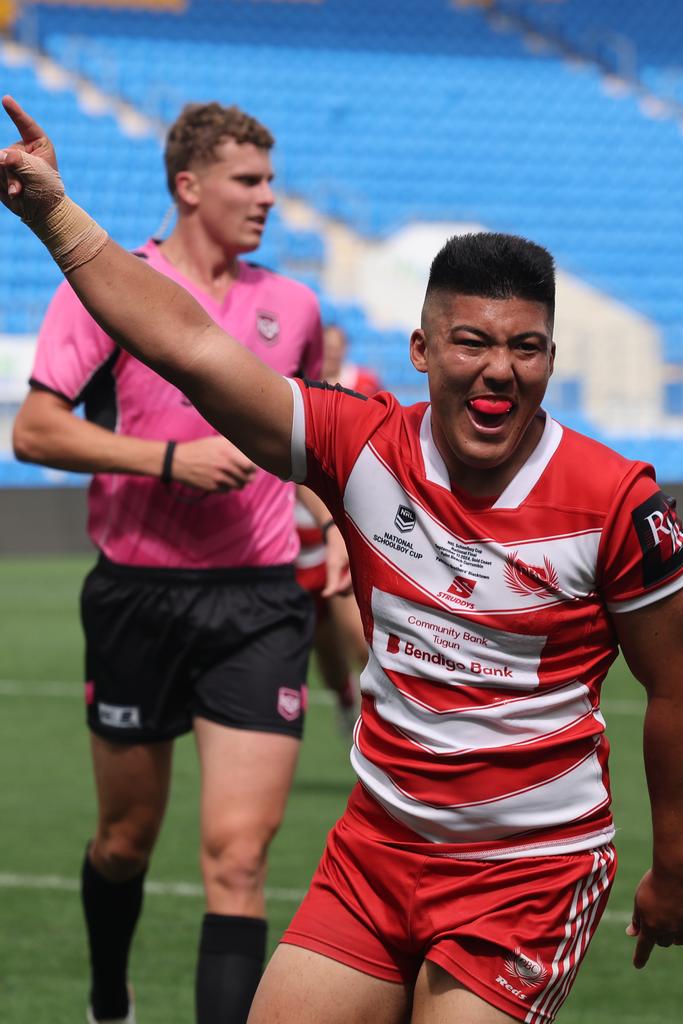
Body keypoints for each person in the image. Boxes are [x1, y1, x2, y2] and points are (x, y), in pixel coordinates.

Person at [0, 96, 683, 1024]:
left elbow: (682, 687)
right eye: (471, 342)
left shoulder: (617, 501)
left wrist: (682, 867)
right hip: (377, 852)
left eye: (526, 348)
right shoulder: (360, 445)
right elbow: (188, 346)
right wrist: (54, 212)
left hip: (526, 878)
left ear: (550, 357)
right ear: (421, 350)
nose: (500, 369)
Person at [9, 99, 348, 1024]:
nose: (269, 198)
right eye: (249, 180)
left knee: (238, 860)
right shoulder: (110, 288)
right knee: (125, 840)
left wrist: (344, 522)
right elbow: (34, 431)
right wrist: (168, 459)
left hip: (259, 604)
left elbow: (310, 444)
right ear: (189, 187)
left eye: (272, 181)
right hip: (136, 598)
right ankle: (110, 999)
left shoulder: (294, 307)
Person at [294, 323, 382, 732]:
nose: (328, 353)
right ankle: (344, 696)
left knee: (360, 639)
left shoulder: (363, 384)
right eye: (322, 346)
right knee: (324, 652)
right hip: (295, 547)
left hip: (344, 535)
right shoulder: (295, 390)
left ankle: (385, 725)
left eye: (335, 346)